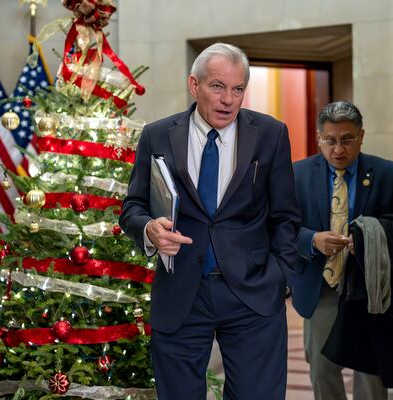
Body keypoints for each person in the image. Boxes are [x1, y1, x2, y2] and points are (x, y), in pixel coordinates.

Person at [119, 43, 300, 399]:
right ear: (194, 85)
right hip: (181, 291)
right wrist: (149, 229)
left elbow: (286, 217)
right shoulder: (157, 135)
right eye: (217, 86)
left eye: (237, 89)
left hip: (253, 295)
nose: (228, 100)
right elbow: (133, 207)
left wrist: (280, 277)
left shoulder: (271, 134)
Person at [292, 100, 393, 400]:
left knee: (372, 372)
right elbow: (280, 227)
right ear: (318, 138)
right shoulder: (297, 174)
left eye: (347, 140)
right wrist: (312, 240)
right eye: (331, 141)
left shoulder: (389, 174)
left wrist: (368, 237)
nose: (338, 150)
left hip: (371, 288)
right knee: (322, 369)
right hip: (321, 284)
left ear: (361, 136)